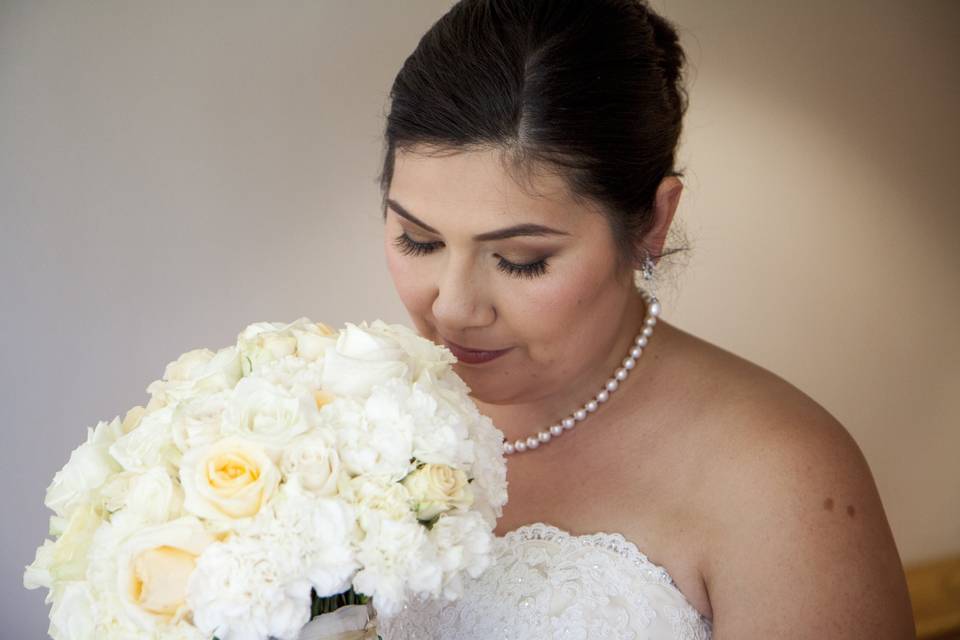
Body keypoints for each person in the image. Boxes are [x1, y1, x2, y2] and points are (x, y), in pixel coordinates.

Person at [373, 0, 916, 637]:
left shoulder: (784, 481)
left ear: (652, 225)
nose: (454, 308)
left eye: (521, 259)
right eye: (418, 241)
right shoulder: (343, 414)